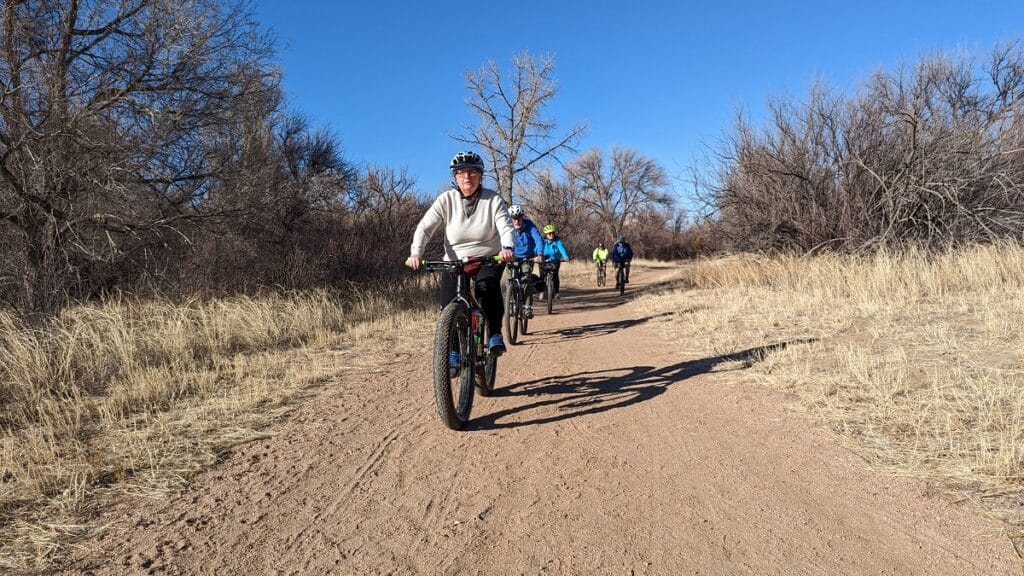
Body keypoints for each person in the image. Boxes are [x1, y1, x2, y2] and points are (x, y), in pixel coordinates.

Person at [407, 151, 514, 353]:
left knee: (486, 288)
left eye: (473, 172)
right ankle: (453, 350)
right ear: (455, 177)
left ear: (481, 176)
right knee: (448, 304)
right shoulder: (445, 200)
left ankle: (494, 332)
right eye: (461, 172)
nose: (467, 177)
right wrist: (416, 253)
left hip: (488, 258)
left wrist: (507, 247)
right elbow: (425, 228)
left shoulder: (493, 200)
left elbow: (505, 226)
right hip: (454, 261)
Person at [508, 204, 544, 318]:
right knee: (506, 279)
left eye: (519, 218)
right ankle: (510, 302)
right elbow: (500, 240)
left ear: (522, 217)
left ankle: (528, 306)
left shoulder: (529, 225)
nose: (517, 221)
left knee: (526, 278)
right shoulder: (507, 227)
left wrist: (539, 254)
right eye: (514, 218)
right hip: (512, 257)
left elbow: (538, 239)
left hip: (527, 257)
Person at [540, 224, 570, 299]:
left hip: (555, 260)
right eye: (549, 233)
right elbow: (537, 249)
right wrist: (536, 256)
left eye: (553, 233)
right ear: (546, 235)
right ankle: (542, 291)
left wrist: (565, 257)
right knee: (542, 276)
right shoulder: (542, 241)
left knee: (555, 275)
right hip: (544, 260)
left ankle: (556, 292)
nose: (551, 235)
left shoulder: (557, 241)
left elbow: (562, 248)